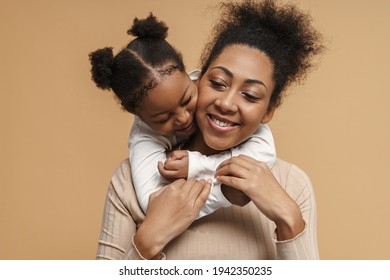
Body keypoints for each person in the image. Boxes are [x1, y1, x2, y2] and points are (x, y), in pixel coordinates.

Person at [96, 0, 325, 260]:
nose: (226, 103)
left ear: (269, 110)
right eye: (217, 83)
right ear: (197, 79)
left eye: (250, 95)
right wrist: (148, 242)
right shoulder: (129, 181)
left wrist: (290, 219)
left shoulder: (292, 184)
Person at [89, 14, 276, 218]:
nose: (183, 118)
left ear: (192, 76)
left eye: (187, 100)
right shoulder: (144, 136)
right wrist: (223, 193)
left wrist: (197, 166)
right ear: (139, 116)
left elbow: (264, 153)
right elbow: (155, 205)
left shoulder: (210, 86)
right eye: (163, 118)